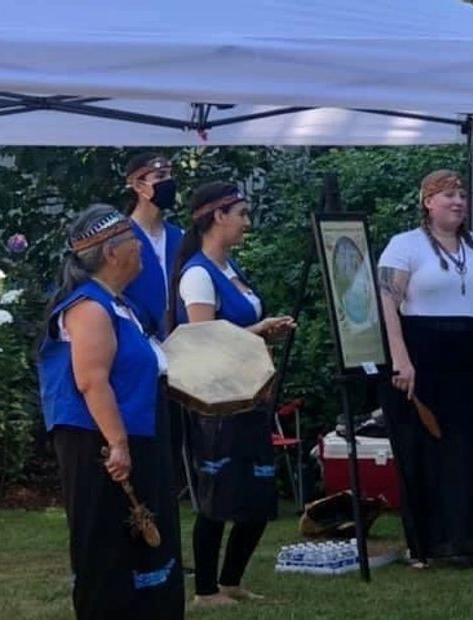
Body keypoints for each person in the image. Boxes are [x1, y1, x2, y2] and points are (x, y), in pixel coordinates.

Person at [377, 169, 473, 569]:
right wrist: (400, 359)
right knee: (432, 446)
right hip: (426, 355)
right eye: (448, 195)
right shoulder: (404, 246)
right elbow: (387, 303)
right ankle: (431, 541)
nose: (458, 201)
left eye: (461, 195)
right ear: (428, 202)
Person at [38, 204, 184, 619]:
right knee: (108, 549)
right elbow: (91, 380)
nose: (141, 248)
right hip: (99, 444)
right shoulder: (88, 307)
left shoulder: (122, 305)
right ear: (112, 253)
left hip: (138, 434)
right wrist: (118, 445)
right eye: (133, 242)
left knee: (148, 546)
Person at [171, 181, 295, 607]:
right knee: (218, 495)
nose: (247, 222)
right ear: (217, 216)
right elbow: (202, 341)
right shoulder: (198, 276)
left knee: (259, 493)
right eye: (241, 213)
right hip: (216, 405)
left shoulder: (232, 269)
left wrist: (265, 337)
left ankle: (231, 581)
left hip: (249, 397)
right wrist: (257, 331)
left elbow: (238, 335)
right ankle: (205, 590)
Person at [121, 152, 187, 488]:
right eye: (159, 177)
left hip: (181, 352)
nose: (167, 184)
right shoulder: (121, 238)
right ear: (138, 185)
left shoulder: (181, 237)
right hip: (140, 353)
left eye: (170, 175)